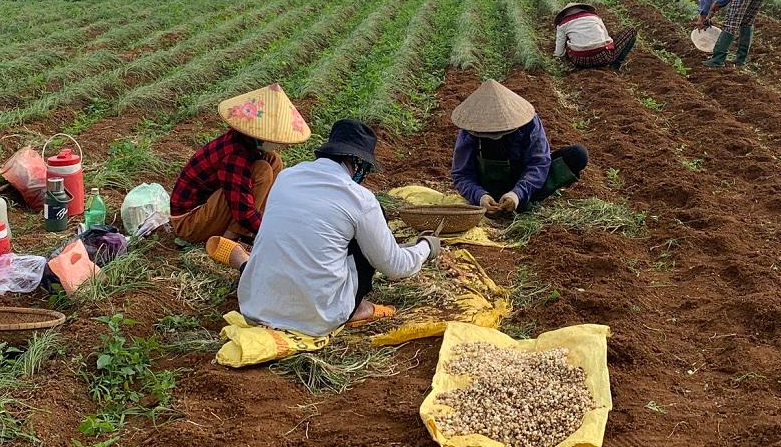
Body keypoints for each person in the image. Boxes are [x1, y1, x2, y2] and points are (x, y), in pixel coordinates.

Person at [237, 119, 441, 335]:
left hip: (255, 306)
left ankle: (244, 263)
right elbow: (395, 266)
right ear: (355, 161)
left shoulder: (286, 178)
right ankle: (357, 309)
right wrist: (426, 247)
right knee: (367, 230)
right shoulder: (360, 199)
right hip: (317, 317)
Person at [170, 83, 309, 265]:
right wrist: (273, 232)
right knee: (262, 171)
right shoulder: (235, 156)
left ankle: (248, 231)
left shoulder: (247, 144)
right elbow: (242, 211)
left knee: (273, 161)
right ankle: (233, 238)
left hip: (209, 206)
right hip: (188, 222)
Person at [449, 79, 587, 213]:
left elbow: (538, 163)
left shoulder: (529, 123)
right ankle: (500, 201)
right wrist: (480, 196)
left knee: (577, 155)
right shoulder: (470, 129)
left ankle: (520, 201)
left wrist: (517, 194)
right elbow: (461, 174)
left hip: (523, 180)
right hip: (486, 186)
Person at [553, 2, 637, 71]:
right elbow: (607, 39)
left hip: (579, 60)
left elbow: (559, 52)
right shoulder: (594, 17)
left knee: (567, 40)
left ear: (565, 14)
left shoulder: (562, 25)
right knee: (631, 31)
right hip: (603, 57)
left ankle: (575, 67)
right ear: (582, 9)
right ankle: (616, 64)